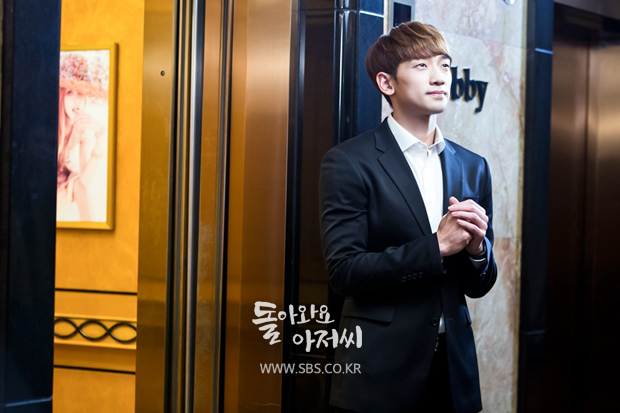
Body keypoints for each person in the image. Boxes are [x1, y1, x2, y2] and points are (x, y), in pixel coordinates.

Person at [319, 21, 498, 413]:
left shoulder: (473, 166)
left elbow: (479, 284)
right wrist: (436, 247)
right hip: (379, 373)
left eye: (444, 65)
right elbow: (344, 272)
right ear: (387, 83)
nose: (439, 77)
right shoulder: (349, 162)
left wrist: (476, 251)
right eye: (421, 66)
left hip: (453, 374)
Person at [57, 52, 108, 222]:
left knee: (80, 187)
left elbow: (85, 182)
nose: (76, 101)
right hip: (39, 184)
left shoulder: (81, 128)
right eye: (70, 93)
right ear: (61, 95)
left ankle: (92, 236)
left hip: (63, 183)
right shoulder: (49, 124)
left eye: (80, 93)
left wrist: (100, 136)